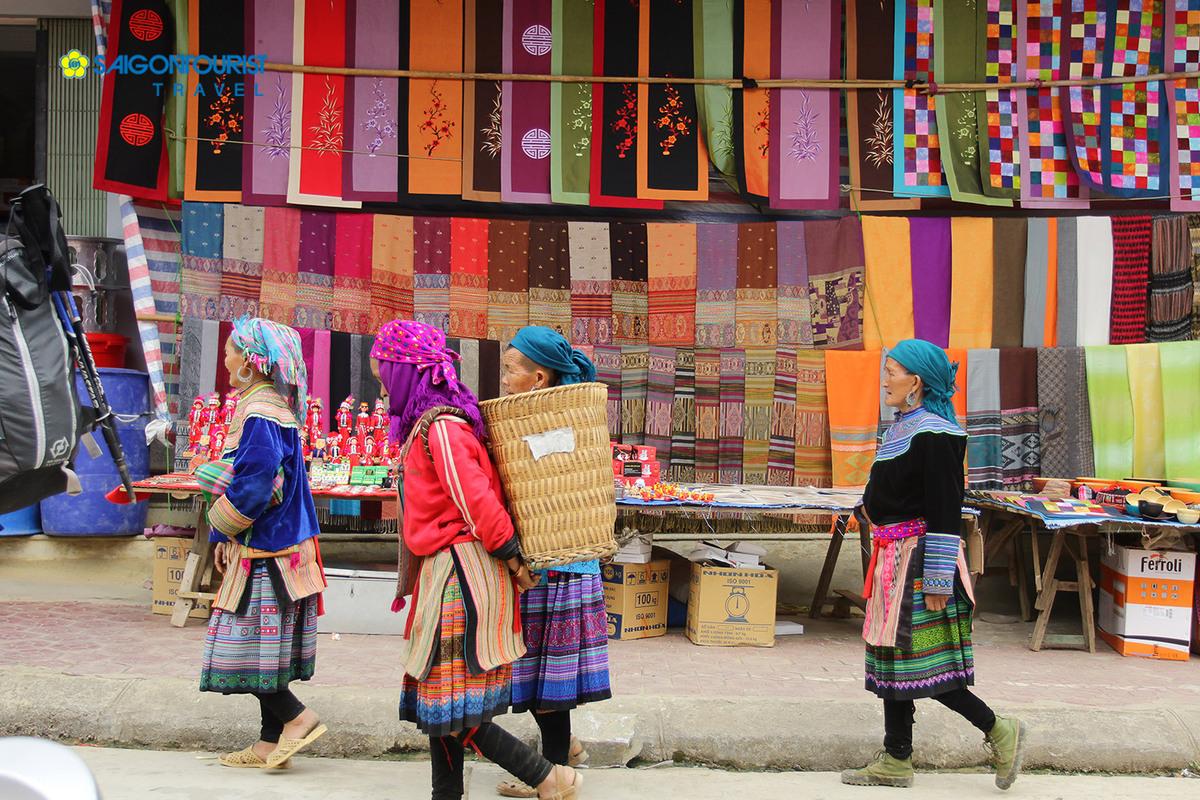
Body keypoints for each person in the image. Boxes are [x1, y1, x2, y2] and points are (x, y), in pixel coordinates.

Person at [371, 319, 582, 800]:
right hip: (445, 572)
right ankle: (447, 794)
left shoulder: (443, 428)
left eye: (384, 373)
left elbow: (477, 499)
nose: (382, 385)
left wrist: (510, 554)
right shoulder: (432, 425)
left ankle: (549, 777)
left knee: (450, 706)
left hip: (460, 577)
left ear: (405, 372)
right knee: (443, 705)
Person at [841, 339, 1025, 791]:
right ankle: (896, 758)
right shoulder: (901, 428)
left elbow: (945, 510)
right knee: (892, 659)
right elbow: (890, 490)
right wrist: (865, 509)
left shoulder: (938, 435)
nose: (885, 379)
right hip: (892, 558)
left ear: (916, 382)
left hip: (920, 561)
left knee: (927, 664)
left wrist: (939, 578)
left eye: (892, 371)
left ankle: (1000, 729)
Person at [200, 317, 328, 770]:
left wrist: (222, 525)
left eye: (233, 350)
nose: (227, 356)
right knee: (266, 653)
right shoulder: (277, 408)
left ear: (252, 363)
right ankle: (267, 744)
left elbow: (255, 485)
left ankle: (297, 718)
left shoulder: (258, 412)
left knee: (244, 648)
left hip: (267, 551)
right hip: (283, 547)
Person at [494, 326, 612, 798]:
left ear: (538, 378)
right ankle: (568, 750)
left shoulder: (553, 420)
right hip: (559, 564)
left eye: (510, 369)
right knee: (547, 675)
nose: (503, 379)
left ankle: (556, 772)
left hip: (558, 567)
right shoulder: (559, 414)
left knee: (550, 681)